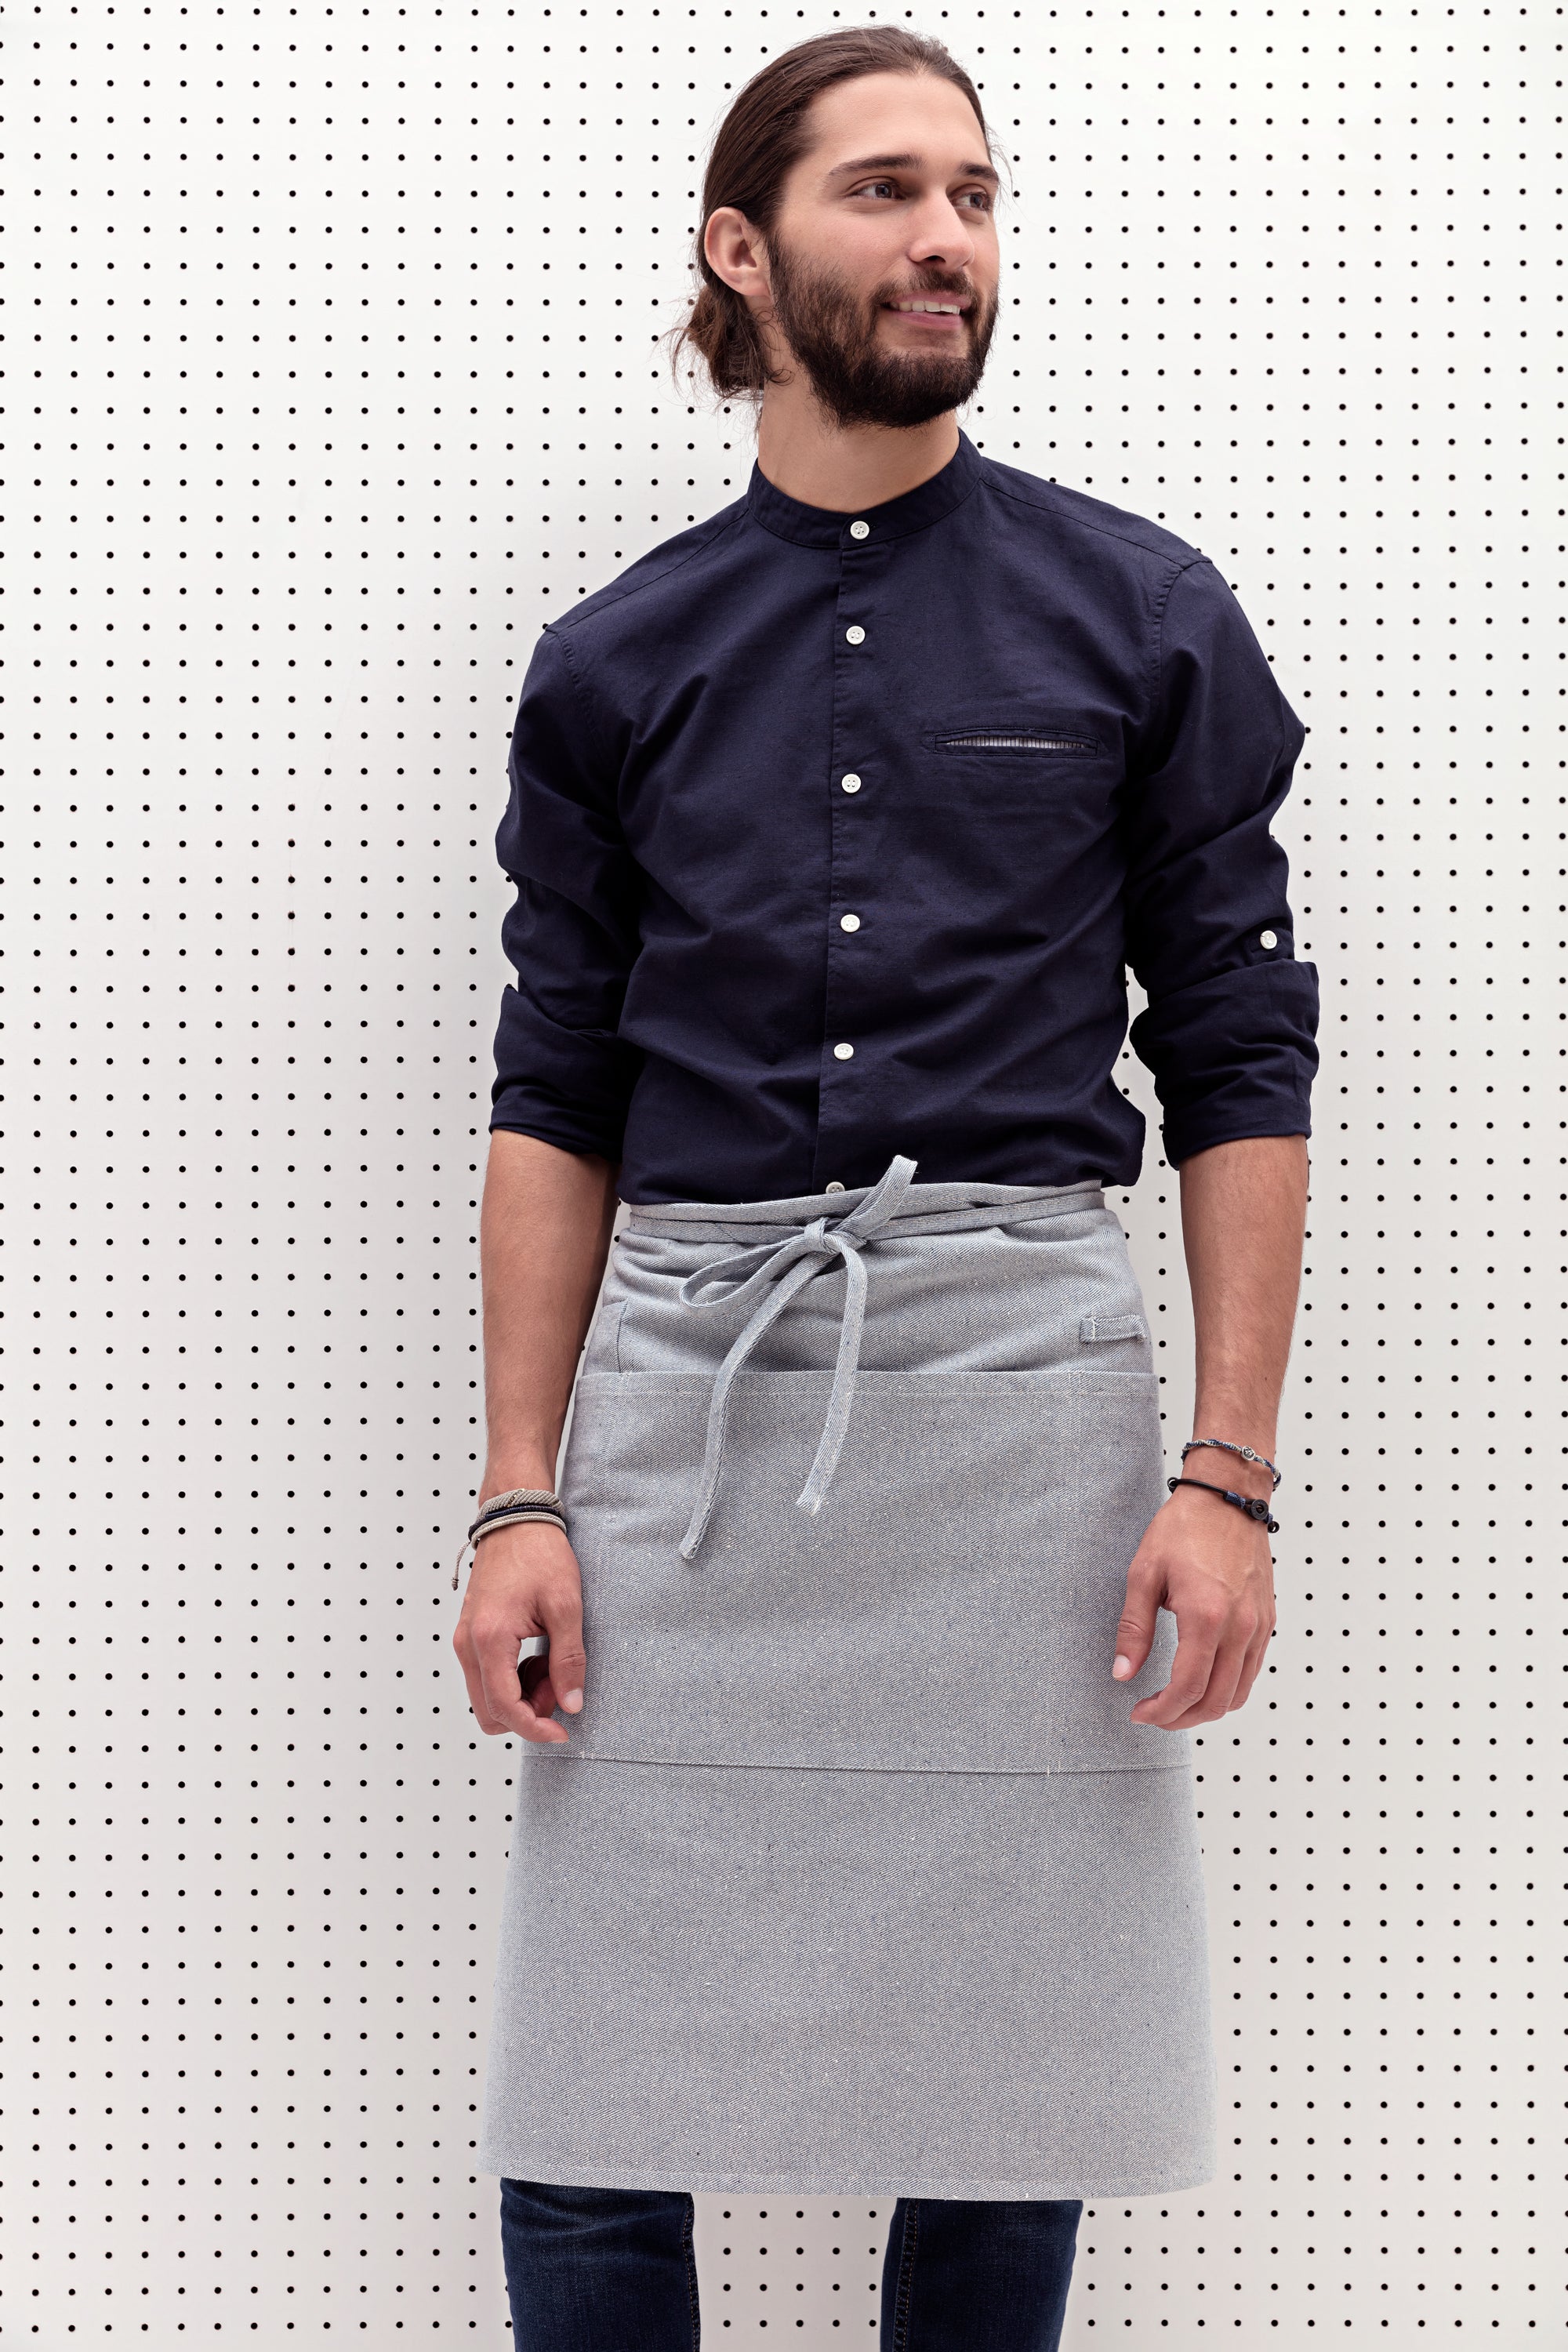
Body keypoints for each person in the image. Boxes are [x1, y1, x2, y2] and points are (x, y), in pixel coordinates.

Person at [453, 24, 1317, 2350]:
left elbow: (1239, 1056)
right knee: (597, 2078)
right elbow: (557, 1090)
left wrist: (1227, 1473)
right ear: (742, 252)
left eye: (975, 195)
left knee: (1008, 2073)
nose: (949, 239)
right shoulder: (616, 660)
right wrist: (518, 1492)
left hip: (1021, 1398)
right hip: (691, 1408)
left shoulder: (1143, 614)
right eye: (886, 192)